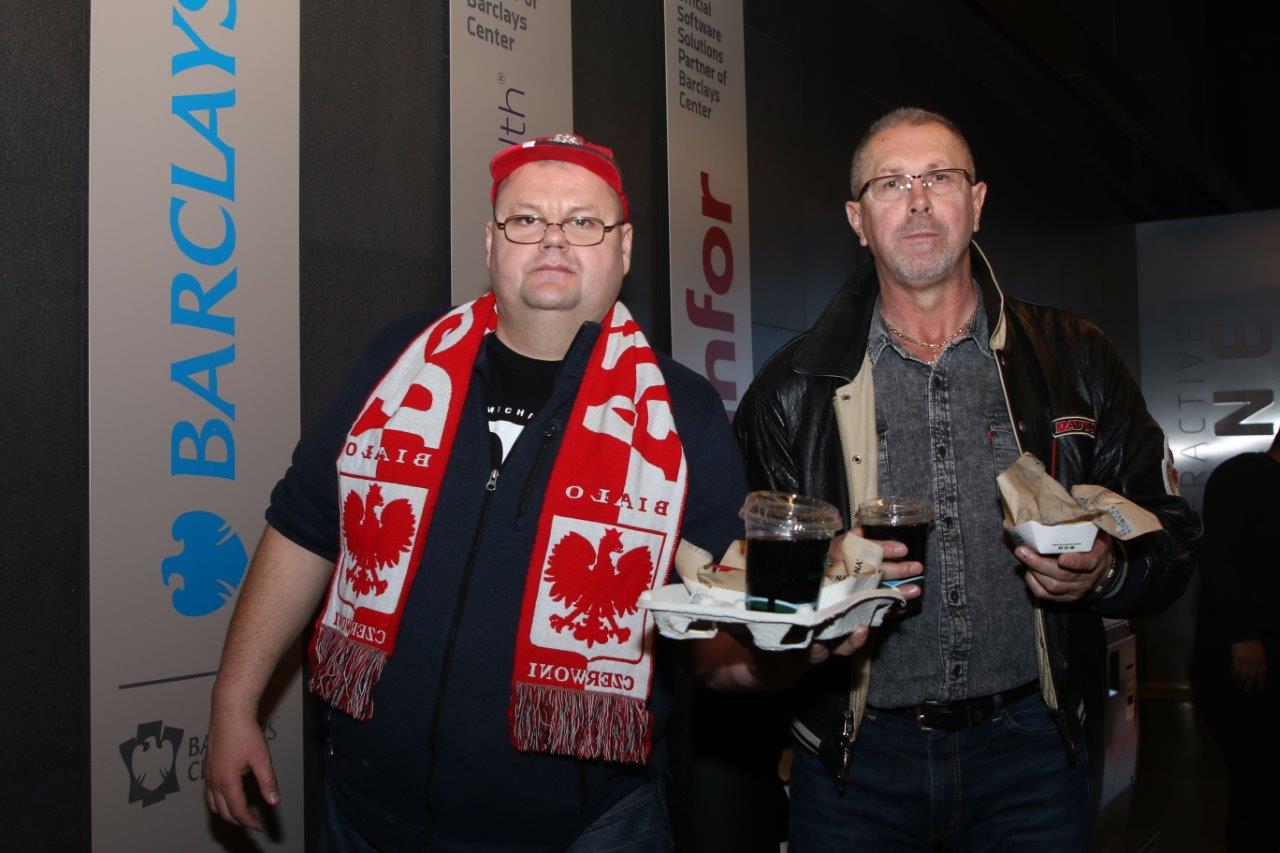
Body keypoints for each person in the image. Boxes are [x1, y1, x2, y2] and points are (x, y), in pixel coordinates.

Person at [203, 133, 759, 851]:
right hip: (365, 816)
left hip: (588, 833)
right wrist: (233, 701)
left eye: (583, 221)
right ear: (490, 242)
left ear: (622, 249)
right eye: (526, 219)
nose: (553, 238)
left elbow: (719, 628)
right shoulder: (396, 364)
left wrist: (784, 652)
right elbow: (304, 528)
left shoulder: (683, 412)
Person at [734, 107, 1199, 850]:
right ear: (857, 220)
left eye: (939, 178)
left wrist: (1107, 569)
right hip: (857, 766)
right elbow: (749, 592)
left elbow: (1172, 536)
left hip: (1032, 755)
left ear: (976, 203)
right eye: (891, 183)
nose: (917, 201)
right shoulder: (791, 388)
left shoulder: (1075, 357)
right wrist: (821, 587)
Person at [1191, 433, 1280, 851]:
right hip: (1237, 663)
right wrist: (1243, 637)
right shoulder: (1243, 474)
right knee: (1258, 788)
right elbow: (1217, 559)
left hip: (1261, 657)